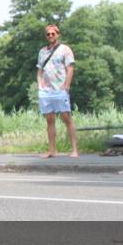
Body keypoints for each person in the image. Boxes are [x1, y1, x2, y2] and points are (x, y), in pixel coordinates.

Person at [37, 24, 78, 158]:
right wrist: (40, 85)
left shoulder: (65, 49)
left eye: (52, 34)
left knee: (66, 118)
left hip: (59, 88)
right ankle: (52, 150)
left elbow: (70, 68)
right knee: (49, 119)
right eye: (48, 34)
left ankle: (74, 150)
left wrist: (66, 85)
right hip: (46, 90)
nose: (50, 36)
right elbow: (40, 70)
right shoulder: (43, 51)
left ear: (58, 34)